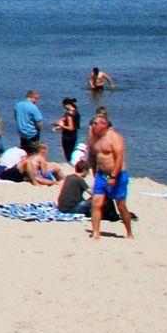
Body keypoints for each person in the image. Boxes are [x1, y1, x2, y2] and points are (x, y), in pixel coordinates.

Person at [89, 111, 134, 241]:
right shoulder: (93, 137)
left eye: (95, 123)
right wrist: (94, 171)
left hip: (117, 175)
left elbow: (119, 157)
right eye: (93, 123)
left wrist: (113, 176)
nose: (93, 126)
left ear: (104, 124)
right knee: (96, 203)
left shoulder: (114, 137)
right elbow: (92, 155)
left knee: (121, 205)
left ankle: (129, 232)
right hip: (101, 175)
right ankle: (96, 232)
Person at [14, 90, 44, 155]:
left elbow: (16, 117)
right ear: (31, 97)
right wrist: (40, 129)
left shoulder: (18, 105)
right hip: (32, 133)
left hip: (21, 132)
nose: (36, 101)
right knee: (34, 151)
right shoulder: (33, 107)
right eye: (36, 99)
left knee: (23, 150)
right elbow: (39, 122)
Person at [56, 98, 81, 163]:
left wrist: (61, 126)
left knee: (67, 153)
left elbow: (70, 127)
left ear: (67, 105)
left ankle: (70, 163)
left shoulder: (69, 114)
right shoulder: (76, 112)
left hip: (67, 136)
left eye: (64, 106)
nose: (64, 108)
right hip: (74, 134)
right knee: (71, 151)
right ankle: (72, 162)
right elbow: (75, 126)